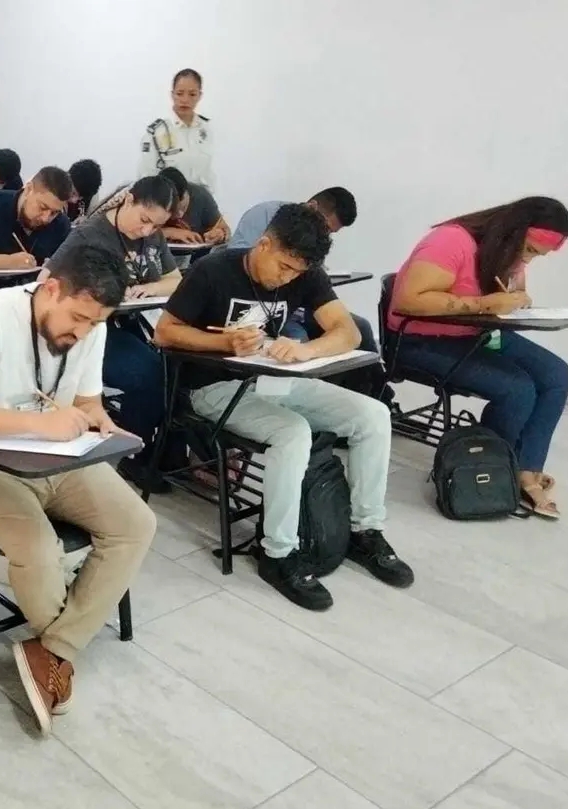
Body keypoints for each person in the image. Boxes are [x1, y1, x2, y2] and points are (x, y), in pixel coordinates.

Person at [0, 243, 157, 733]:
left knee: (137, 524)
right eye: (77, 317)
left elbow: (85, 400)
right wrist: (37, 426)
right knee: (38, 549)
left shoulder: (89, 326)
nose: (82, 332)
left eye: (95, 323)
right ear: (50, 287)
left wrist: (98, 418)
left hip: (55, 458)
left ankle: (54, 647)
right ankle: (59, 649)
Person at [153, 204, 412, 611]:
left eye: (297, 273)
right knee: (293, 434)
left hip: (270, 379)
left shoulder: (304, 272)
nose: (288, 279)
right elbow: (164, 333)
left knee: (372, 416)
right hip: (212, 388)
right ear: (264, 243)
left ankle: (366, 531)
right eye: (284, 267)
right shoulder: (212, 271)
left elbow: (345, 332)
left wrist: (307, 348)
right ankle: (277, 553)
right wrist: (223, 343)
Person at [390, 196, 568, 518]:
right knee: (517, 389)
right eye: (529, 249)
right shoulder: (451, 240)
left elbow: (506, 294)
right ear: (513, 230)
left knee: (556, 375)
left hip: (474, 333)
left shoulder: (504, 250)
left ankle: (525, 469)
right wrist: (485, 304)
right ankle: (489, 470)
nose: (527, 258)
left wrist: (516, 296)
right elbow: (409, 299)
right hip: (420, 338)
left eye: (535, 255)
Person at [45, 176, 181, 474]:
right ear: (128, 200)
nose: (146, 231)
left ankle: (166, 453)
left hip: (137, 324)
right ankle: (133, 454)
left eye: (156, 226)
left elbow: (175, 280)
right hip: (92, 330)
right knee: (148, 371)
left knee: (177, 366)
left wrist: (152, 288)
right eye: (144, 220)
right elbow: (47, 280)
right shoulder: (90, 236)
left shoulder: (152, 237)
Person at [224, 188, 373, 349]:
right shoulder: (264, 214)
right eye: (326, 227)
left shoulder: (316, 239)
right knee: (297, 339)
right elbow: (238, 261)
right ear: (313, 206)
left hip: (300, 305)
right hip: (261, 304)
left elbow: (312, 278)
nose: (325, 233)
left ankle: (377, 374)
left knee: (360, 327)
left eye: (330, 232)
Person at [0, 166, 73, 311]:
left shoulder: (61, 224)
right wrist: (9, 262)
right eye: (42, 207)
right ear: (28, 189)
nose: (46, 218)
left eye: (54, 213)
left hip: (35, 298)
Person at [136, 69, 214, 191]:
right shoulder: (157, 132)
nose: (185, 99)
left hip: (200, 202)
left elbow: (209, 173)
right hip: (168, 203)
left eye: (192, 94)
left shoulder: (205, 129)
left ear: (200, 95)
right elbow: (146, 177)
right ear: (172, 94)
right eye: (180, 93)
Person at [157, 167, 229, 244]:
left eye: (183, 208)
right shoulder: (152, 199)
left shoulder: (201, 196)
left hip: (198, 253)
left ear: (186, 192)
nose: (179, 215)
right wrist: (170, 232)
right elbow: (144, 232)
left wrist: (220, 234)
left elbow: (225, 229)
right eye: (172, 211)